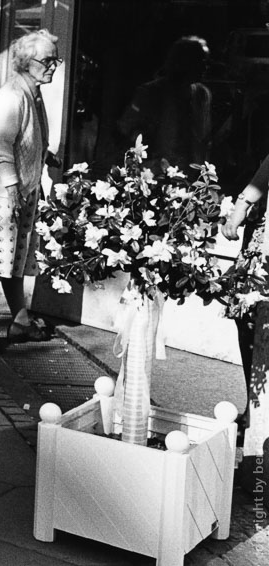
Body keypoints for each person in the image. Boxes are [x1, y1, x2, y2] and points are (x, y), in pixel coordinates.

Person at [0, 29, 62, 352]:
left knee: (13, 261)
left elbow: (26, 139)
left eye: (55, 59)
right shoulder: (12, 96)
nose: (53, 66)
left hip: (21, 190)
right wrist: (14, 189)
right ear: (25, 62)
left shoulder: (32, 93)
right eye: (46, 60)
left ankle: (19, 323)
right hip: (2, 193)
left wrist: (43, 156)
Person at [221, 153, 269, 460]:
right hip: (262, 251)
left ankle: (259, 413)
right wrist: (240, 209)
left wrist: (240, 209)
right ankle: (256, 408)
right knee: (249, 321)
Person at [118, 35, 212, 168]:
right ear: (184, 61)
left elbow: (204, 139)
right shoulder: (150, 93)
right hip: (154, 173)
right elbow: (126, 130)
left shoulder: (202, 95)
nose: (205, 67)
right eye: (201, 60)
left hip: (190, 175)